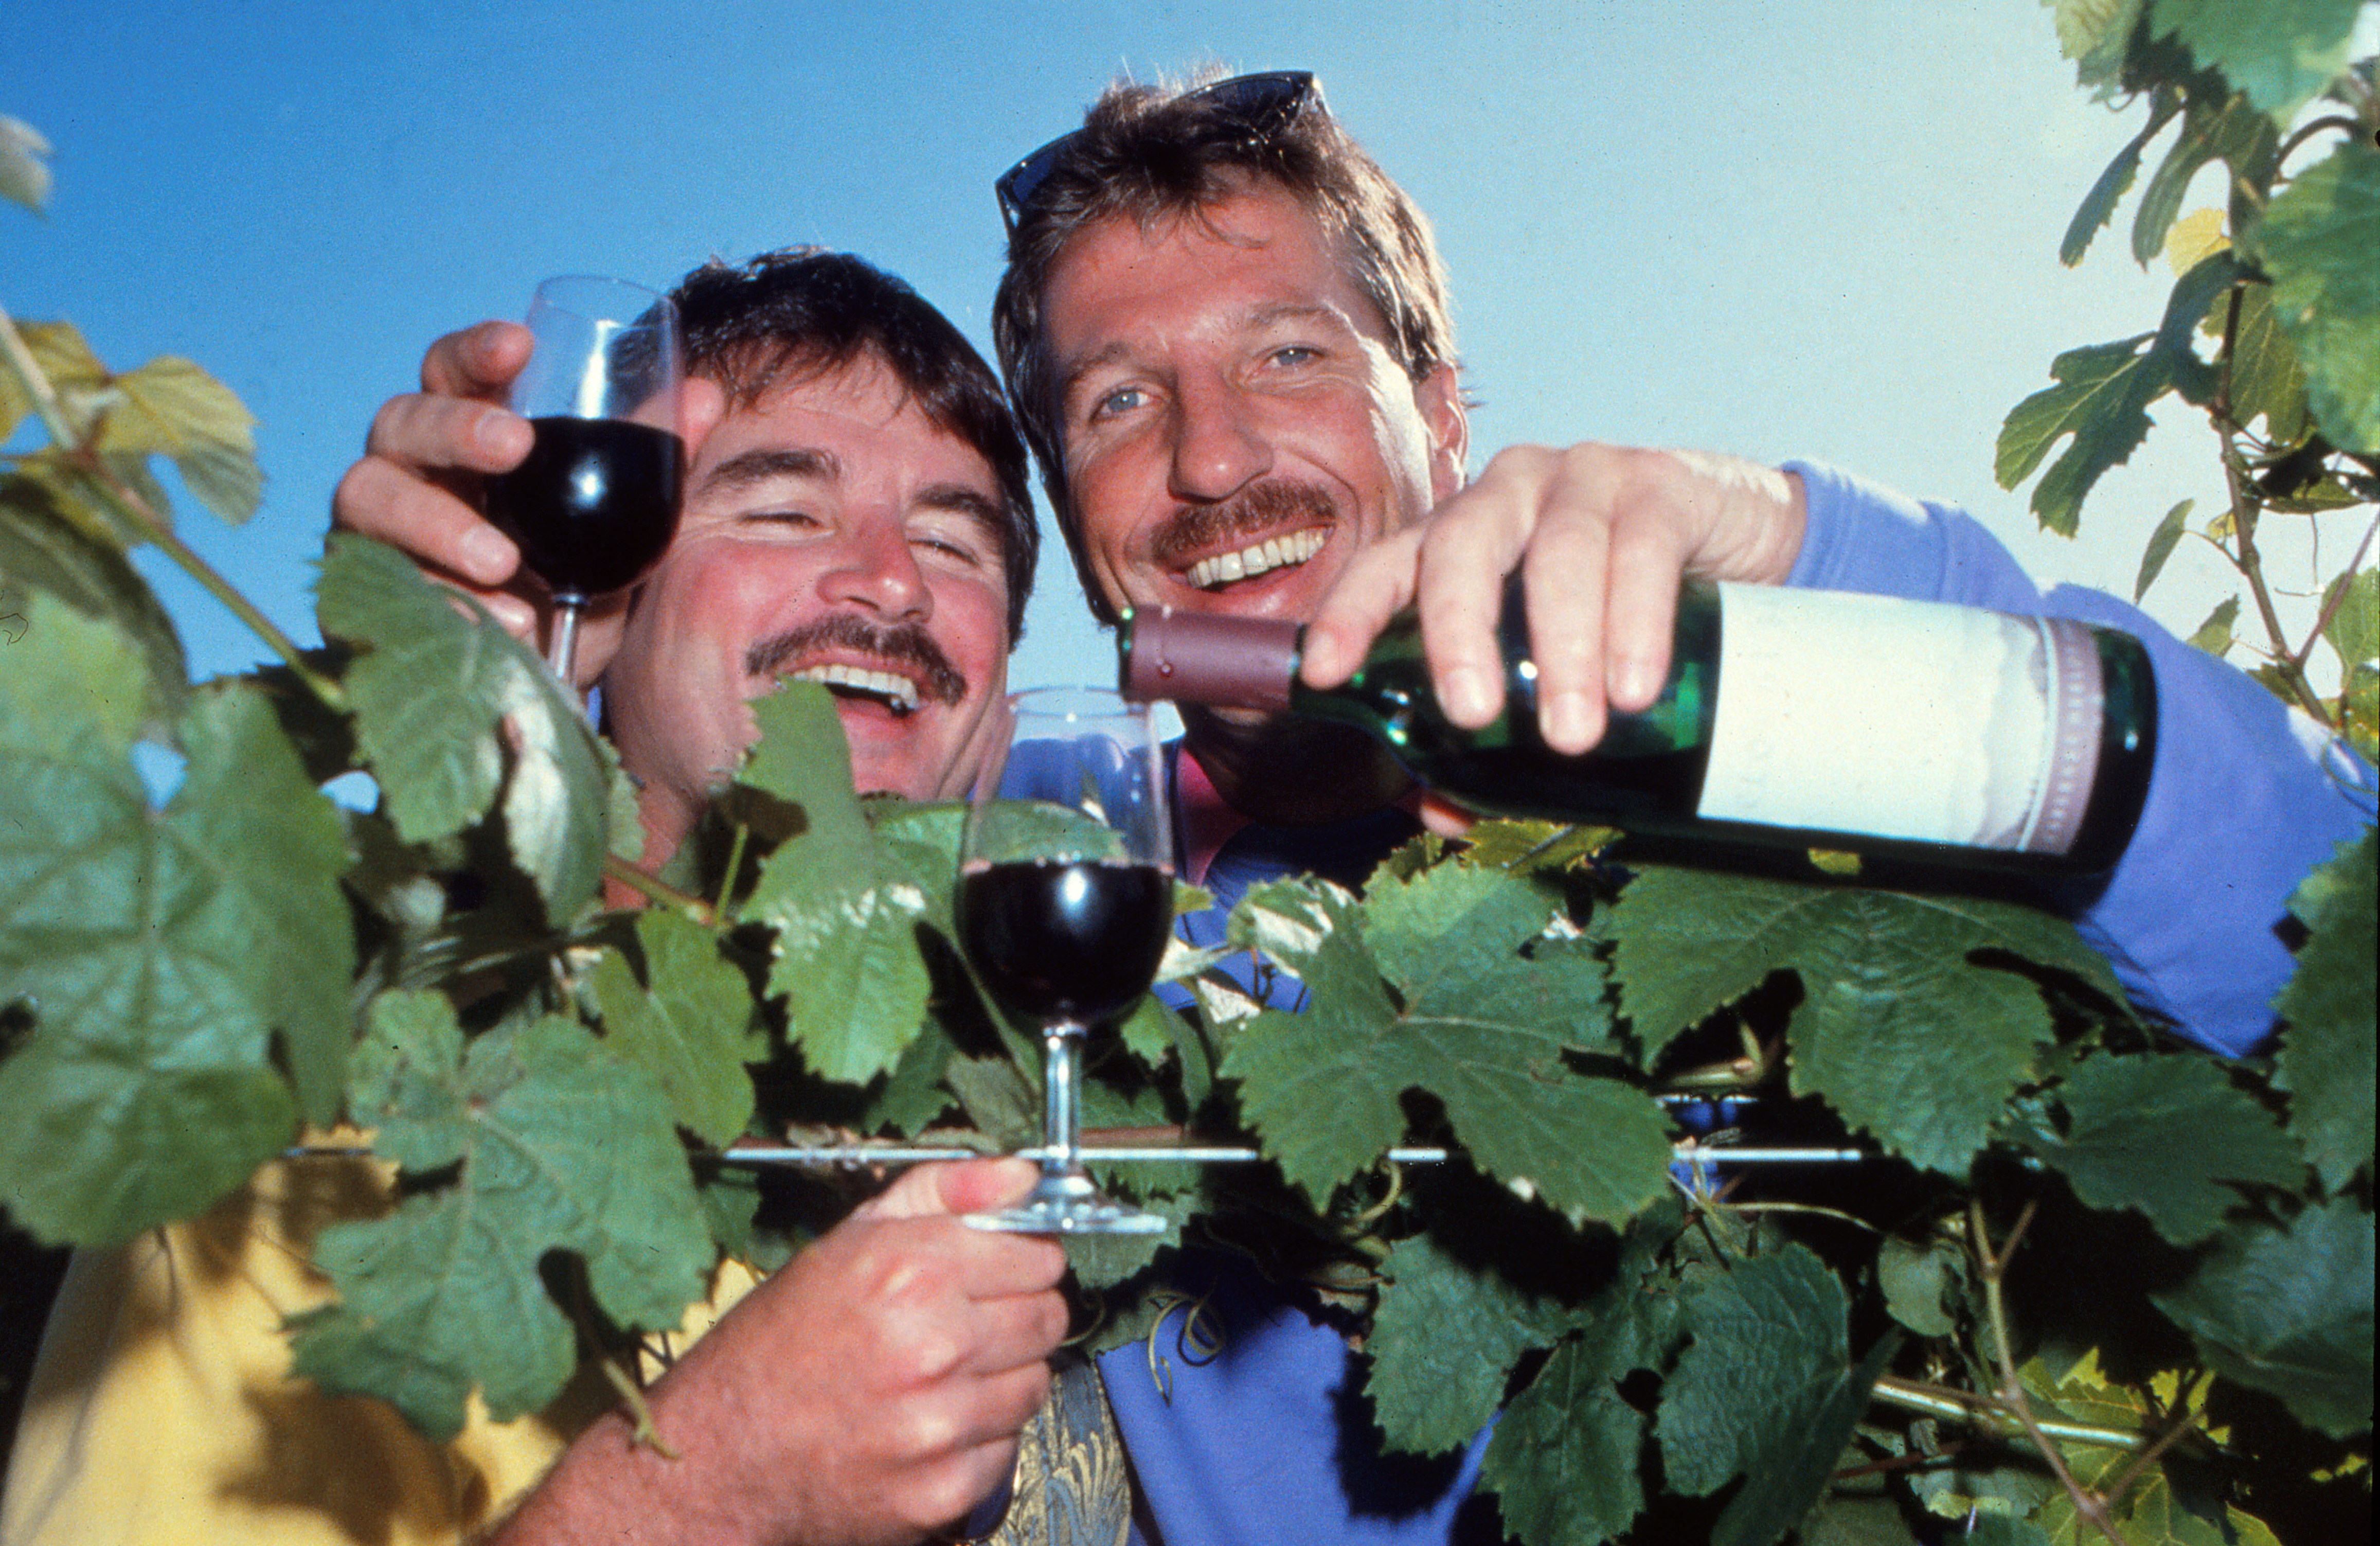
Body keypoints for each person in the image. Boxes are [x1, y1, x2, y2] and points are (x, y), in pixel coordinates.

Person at [975, 70, 2376, 1545]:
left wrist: (1807, 547)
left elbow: (2332, 949)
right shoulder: (1034, 910)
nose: (1208, 455)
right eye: (1119, 399)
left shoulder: (1740, 783)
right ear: (1073, 517)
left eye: (1287, 352)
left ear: (1441, 419)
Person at [1, 250, 1110, 1546]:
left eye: (949, 539)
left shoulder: (1074, 1088)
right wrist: (696, 1496)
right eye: (781, 511)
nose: (892, 580)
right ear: (613, 605)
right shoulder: (326, 1122)